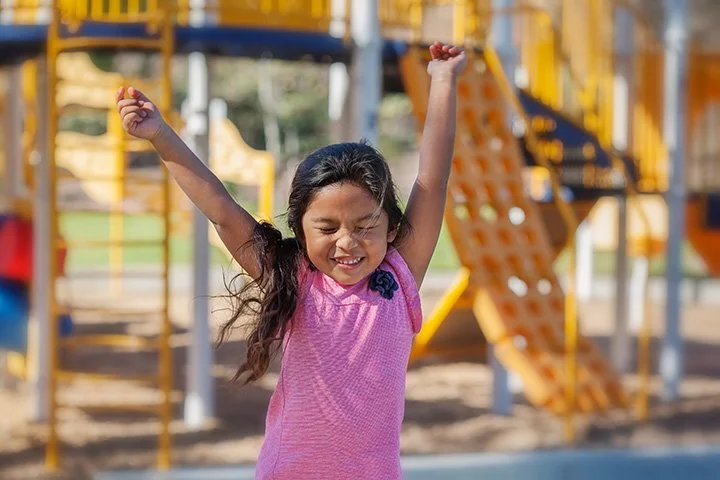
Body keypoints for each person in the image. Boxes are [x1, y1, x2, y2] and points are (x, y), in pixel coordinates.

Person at [115, 41, 467, 479]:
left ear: (392, 228)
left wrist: (444, 80)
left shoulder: (400, 276)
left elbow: (432, 179)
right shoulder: (294, 278)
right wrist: (160, 135)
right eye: (327, 228)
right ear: (299, 231)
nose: (347, 242)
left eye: (364, 226)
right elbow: (222, 211)